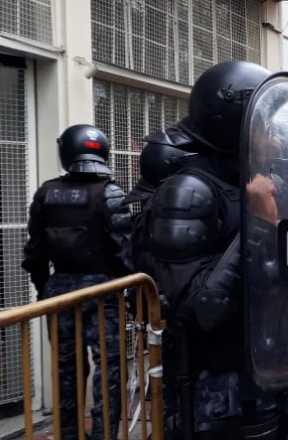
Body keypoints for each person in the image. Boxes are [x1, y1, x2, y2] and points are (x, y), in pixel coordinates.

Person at [134, 61, 288, 439]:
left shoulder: (264, 182)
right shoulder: (188, 192)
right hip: (228, 389)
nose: (276, 139)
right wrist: (257, 227)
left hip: (285, 369)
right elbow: (200, 310)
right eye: (266, 127)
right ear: (233, 125)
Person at [22, 124, 130, 440]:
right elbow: (125, 252)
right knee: (110, 369)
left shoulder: (46, 193)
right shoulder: (110, 192)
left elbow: (35, 253)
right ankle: (103, 434)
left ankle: (67, 432)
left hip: (60, 292)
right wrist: (133, 295)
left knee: (65, 368)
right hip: (103, 291)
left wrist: (46, 291)